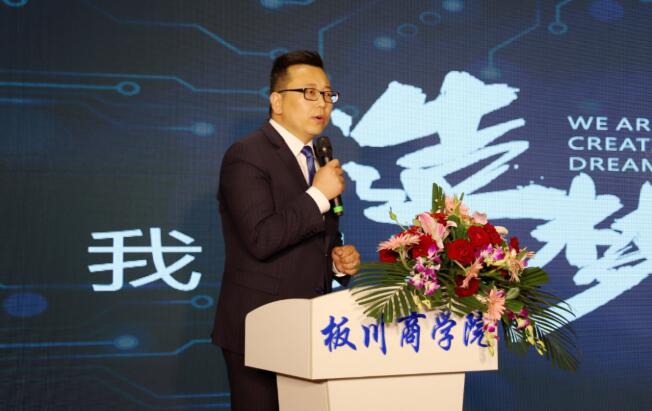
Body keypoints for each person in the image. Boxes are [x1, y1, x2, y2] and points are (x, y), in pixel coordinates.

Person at [211, 50, 361, 411]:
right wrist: (318, 195)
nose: (322, 103)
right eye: (309, 92)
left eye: (327, 94)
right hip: (259, 329)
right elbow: (261, 238)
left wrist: (336, 264)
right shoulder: (246, 155)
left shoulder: (318, 159)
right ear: (277, 101)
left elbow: (309, 242)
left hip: (311, 329)